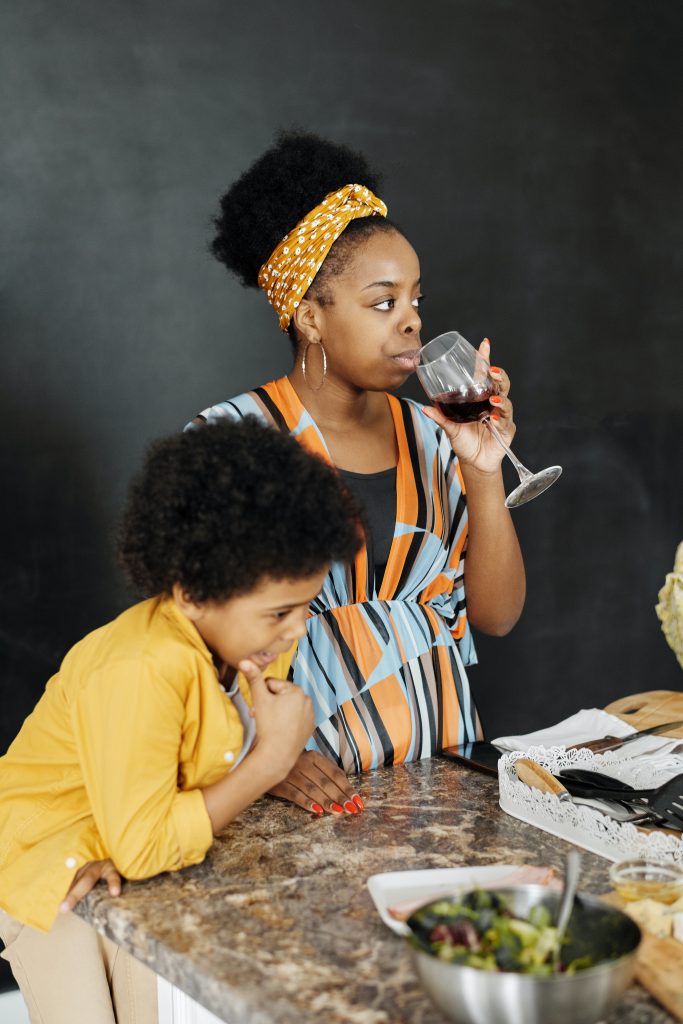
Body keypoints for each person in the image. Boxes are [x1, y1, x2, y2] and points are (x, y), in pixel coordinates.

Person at [0, 417, 361, 1024]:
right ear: (192, 592)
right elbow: (142, 847)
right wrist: (271, 760)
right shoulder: (140, 667)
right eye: (279, 613)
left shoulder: (256, 641)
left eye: (305, 607)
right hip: (45, 857)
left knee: (160, 1001)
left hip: (140, 846)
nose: (298, 630)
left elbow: (150, 833)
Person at [190, 131, 526, 781]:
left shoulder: (434, 434)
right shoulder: (228, 440)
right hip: (313, 787)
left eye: (414, 300)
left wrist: (482, 472)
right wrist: (268, 764)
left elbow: (497, 615)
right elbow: (190, 646)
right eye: (382, 302)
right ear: (309, 317)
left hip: (445, 766)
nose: (411, 323)